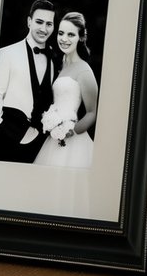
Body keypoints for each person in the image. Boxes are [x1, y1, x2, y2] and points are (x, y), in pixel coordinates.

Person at [0, 0, 56, 163]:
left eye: (49, 24)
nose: (43, 28)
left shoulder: (53, 61)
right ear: (29, 21)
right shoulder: (7, 53)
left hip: (38, 145)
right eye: (39, 22)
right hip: (6, 139)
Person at [34, 11, 99, 169]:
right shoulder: (62, 65)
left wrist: (71, 131)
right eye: (61, 33)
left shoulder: (84, 70)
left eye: (71, 34)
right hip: (53, 136)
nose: (64, 39)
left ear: (81, 37)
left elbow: (92, 112)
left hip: (72, 138)